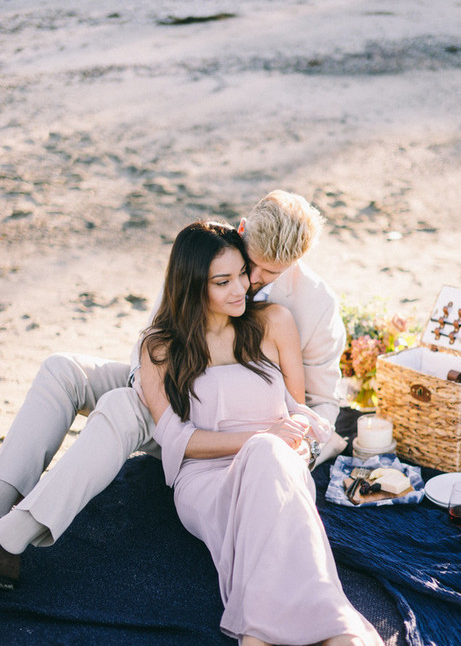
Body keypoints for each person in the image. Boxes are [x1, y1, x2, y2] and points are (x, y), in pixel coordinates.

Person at [138, 220, 421, 646]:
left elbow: (298, 410)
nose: (241, 289)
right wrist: (259, 439)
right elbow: (175, 440)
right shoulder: (160, 347)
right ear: (191, 285)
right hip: (206, 481)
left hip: (279, 468)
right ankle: (333, 641)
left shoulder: (273, 323)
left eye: (241, 275)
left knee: (270, 459)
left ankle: (264, 632)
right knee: (264, 452)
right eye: (221, 281)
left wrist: (295, 438)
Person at [0, 191, 347, 586]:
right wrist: (154, 395)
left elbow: (322, 401)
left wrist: (300, 450)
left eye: (271, 273)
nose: (251, 279)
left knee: (120, 407)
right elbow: (153, 337)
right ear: (242, 231)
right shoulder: (208, 251)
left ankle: (13, 537)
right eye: (250, 263)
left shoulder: (315, 304)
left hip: (234, 417)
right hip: (175, 386)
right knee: (64, 370)